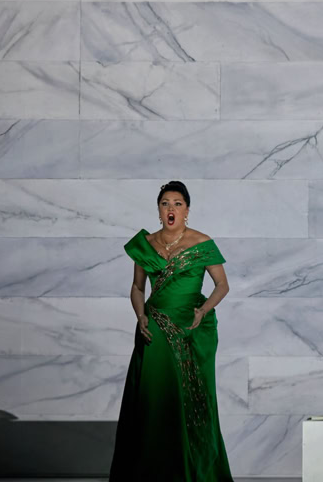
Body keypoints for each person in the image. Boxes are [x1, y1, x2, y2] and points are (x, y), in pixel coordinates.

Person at [110, 180, 234, 480]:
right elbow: (137, 288)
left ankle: (193, 470)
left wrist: (204, 310)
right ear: (159, 210)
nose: (171, 208)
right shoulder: (146, 244)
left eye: (177, 204)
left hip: (191, 328)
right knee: (153, 398)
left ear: (187, 210)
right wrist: (140, 315)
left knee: (190, 400)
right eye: (165, 203)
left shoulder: (201, 242)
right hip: (154, 328)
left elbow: (222, 285)